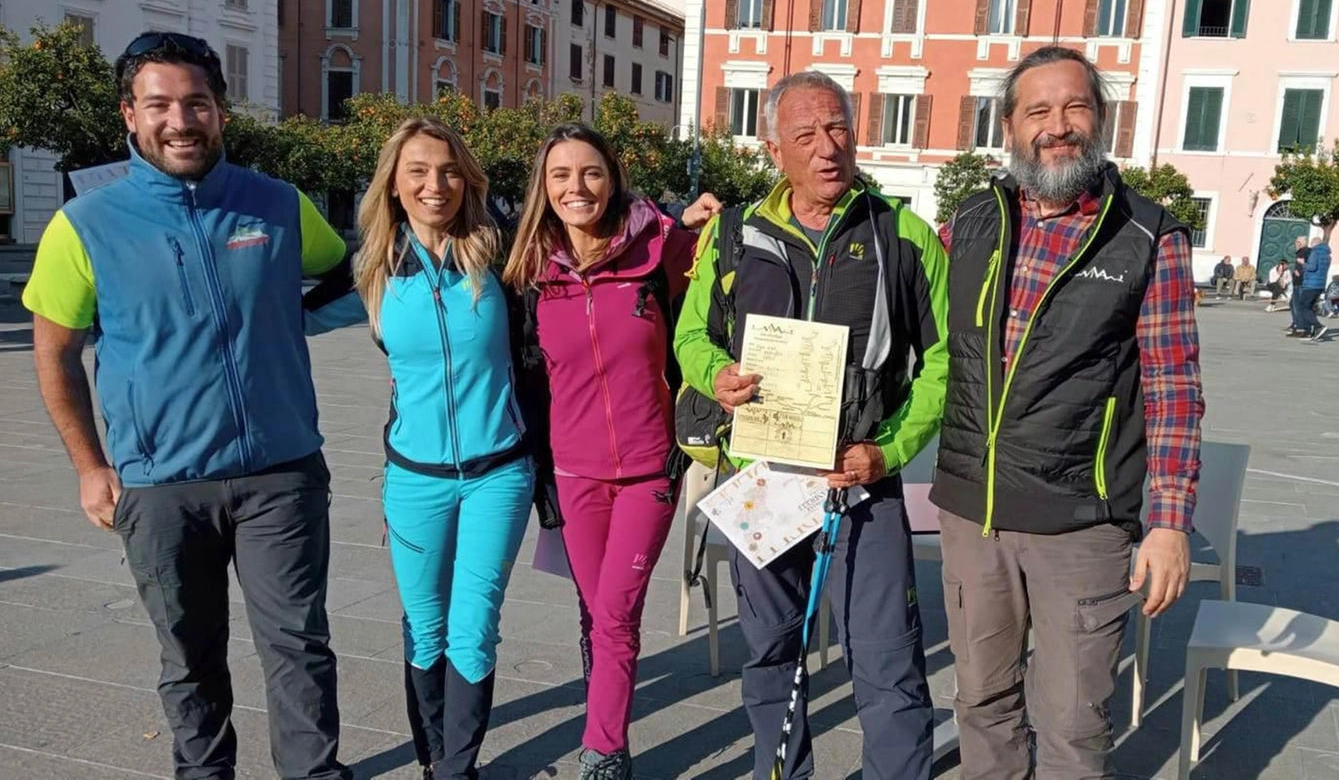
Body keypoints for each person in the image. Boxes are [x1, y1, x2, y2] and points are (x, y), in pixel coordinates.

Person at [21, 31, 353, 780]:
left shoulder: (276, 203)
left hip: (283, 472)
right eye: (160, 104)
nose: (181, 119)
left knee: (299, 647)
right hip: (161, 484)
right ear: (129, 117)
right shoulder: (85, 225)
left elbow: (340, 273)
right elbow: (54, 351)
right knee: (189, 657)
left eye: (197, 102)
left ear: (221, 114)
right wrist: (89, 467)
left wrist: (284, 322)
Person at [931, 46, 1203, 780]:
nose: (1059, 126)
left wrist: (1170, 519)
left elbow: (1173, 384)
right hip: (971, 512)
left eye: (1075, 107)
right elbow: (918, 340)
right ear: (1010, 128)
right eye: (1039, 112)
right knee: (981, 703)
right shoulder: (971, 222)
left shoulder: (1149, 236)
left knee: (1073, 725)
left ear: (1101, 119)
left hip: (1081, 526)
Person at [674, 70, 948, 780]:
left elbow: (948, 360)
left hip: (860, 479)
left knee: (887, 657)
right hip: (760, 476)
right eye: (805, 135)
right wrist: (716, 377)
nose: (828, 147)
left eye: (838, 128)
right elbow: (691, 337)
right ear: (776, 150)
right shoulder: (734, 234)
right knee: (770, 650)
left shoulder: (904, 236)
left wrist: (888, 450)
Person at [304, 118, 541, 779]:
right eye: (417, 171)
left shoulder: (499, 255)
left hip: (499, 473)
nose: (434, 184)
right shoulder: (371, 271)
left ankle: (456, 768)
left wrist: (679, 228)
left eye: (447, 169)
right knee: (427, 627)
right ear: (394, 184)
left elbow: (586, 232)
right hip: (414, 479)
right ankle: (434, 756)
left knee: (473, 629)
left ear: (466, 177)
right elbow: (272, 313)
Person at [502, 124, 715, 780]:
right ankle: (607, 727)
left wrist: (705, 220)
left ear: (613, 177)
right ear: (544, 186)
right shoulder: (529, 269)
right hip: (573, 472)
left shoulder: (660, 249)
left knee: (617, 613)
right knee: (597, 615)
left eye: (590, 172)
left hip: (649, 469)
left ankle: (603, 752)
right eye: (561, 175)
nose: (577, 187)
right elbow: (518, 366)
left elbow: (717, 300)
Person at [1296, 236, 1331, 342]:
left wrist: (1303, 264)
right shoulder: (1327, 255)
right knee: (1310, 307)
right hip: (1320, 284)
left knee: (1303, 305)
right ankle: (1311, 331)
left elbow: (1312, 267)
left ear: (1314, 244)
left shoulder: (1315, 252)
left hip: (1311, 284)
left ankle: (1317, 326)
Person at [1288, 235, 1311, 333]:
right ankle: (1296, 323)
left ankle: (1300, 325)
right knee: (1293, 304)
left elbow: (1306, 265)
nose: (1296, 243)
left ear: (1301, 243)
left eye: (1297, 242)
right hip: (1298, 281)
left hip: (1301, 282)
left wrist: (1300, 272)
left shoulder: (1305, 251)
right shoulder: (1302, 252)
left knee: (1298, 304)